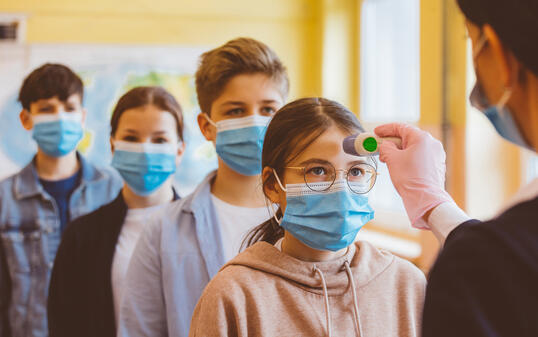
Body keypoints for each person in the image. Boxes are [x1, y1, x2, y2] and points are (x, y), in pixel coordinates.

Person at [188, 97, 426, 337]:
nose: (341, 189)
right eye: (318, 171)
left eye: (355, 171)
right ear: (272, 185)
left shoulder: (406, 284)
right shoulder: (234, 296)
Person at [374, 0, 538, 335]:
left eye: (470, 41)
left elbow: (501, 263)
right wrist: (433, 203)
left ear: (495, 50)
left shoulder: (475, 269)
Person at [118, 38, 289, 337]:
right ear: (206, 125)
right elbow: (139, 330)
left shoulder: (313, 218)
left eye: (268, 109)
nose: (254, 122)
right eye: (235, 111)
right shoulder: (162, 229)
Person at [47, 86, 185, 337]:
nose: (145, 150)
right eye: (131, 138)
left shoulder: (201, 229)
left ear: (179, 150)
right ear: (113, 146)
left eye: (160, 140)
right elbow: (63, 324)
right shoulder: (81, 236)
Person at [0, 63, 122, 337]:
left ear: (82, 116)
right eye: (46, 109)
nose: (59, 118)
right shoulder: (4, 199)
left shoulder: (115, 190)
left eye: (68, 108)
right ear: (26, 118)